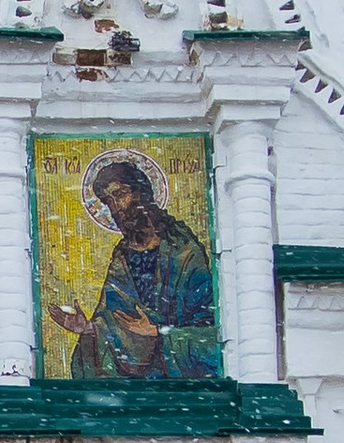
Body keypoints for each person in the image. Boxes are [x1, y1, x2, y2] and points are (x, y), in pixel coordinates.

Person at [49, 157, 222, 380]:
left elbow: (210, 334)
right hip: (131, 387)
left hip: (179, 384)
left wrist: (160, 334)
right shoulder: (122, 257)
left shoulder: (183, 251)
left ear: (141, 193)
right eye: (107, 202)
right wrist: (91, 329)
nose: (116, 207)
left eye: (120, 195)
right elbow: (116, 319)